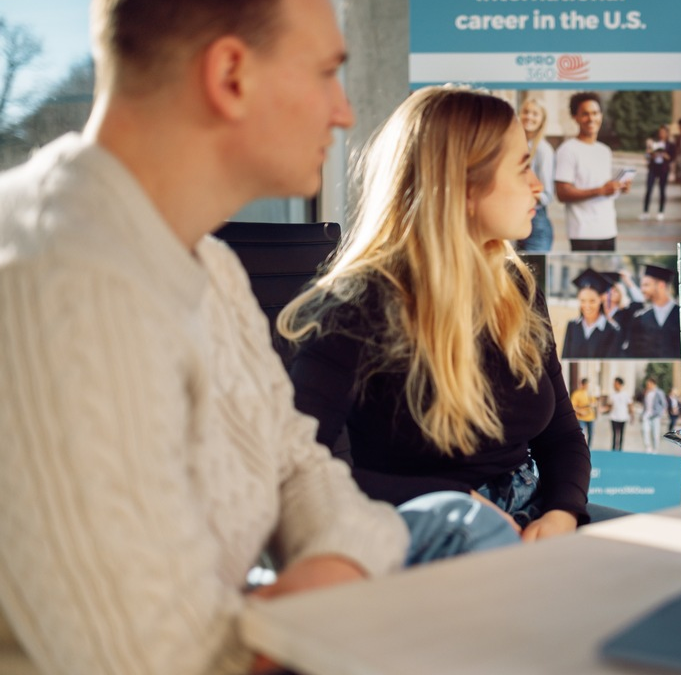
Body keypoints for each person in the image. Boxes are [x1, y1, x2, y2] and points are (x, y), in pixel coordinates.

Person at [0, 2, 517, 674]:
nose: (345, 111)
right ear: (231, 75)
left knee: (465, 535)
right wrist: (297, 611)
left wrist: (333, 566)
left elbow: (299, 464)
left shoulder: (205, 263)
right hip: (206, 647)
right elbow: (157, 658)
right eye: (328, 72)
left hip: (251, 612)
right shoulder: (60, 285)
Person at [281, 86, 591, 541]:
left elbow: (562, 437)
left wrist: (562, 513)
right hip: (428, 536)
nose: (539, 186)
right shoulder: (355, 305)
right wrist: (450, 499)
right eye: (523, 167)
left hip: (534, 519)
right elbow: (296, 470)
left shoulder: (517, 288)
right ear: (465, 188)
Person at [555, 91, 631, 251]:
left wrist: (619, 188)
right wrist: (601, 190)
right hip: (583, 232)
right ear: (575, 117)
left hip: (608, 230)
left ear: (601, 116)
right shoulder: (567, 150)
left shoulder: (604, 150)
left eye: (595, 113)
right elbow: (562, 193)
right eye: (585, 114)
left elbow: (603, 189)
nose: (591, 118)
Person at [515, 98, 555, 253]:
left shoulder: (543, 150)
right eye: (526, 112)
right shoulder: (517, 145)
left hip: (536, 223)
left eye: (535, 114)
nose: (529, 117)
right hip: (518, 220)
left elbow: (547, 195)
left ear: (542, 119)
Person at [623, 264, 681, 359]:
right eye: (642, 286)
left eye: (646, 285)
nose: (642, 290)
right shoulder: (640, 318)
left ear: (661, 285)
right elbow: (631, 352)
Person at [561, 269, 623, 359]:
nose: (587, 306)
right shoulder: (572, 326)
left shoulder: (612, 330)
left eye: (592, 301)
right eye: (583, 300)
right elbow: (565, 357)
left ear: (601, 299)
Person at [640, 124, 673, 221]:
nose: (661, 134)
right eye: (660, 132)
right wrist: (650, 152)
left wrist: (664, 154)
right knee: (649, 190)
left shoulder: (670, 145)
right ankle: (645, 212)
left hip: (663, 169)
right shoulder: (654, 143)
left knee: (662, 191)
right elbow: (647, 156)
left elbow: (672, 158)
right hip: (653, 169)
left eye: (663, 132)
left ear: (667, 133)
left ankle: (661, 212)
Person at [641, 378, 668, 453]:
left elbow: (664, 404)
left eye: (648, 384)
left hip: (655, 415)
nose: (647, 386)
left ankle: (655, 449)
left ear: (653, 384)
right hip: (646, 415)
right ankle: (648, 447)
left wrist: (660, 413)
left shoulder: (659, 392)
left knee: (655, 433)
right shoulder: (646, 392)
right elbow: (645, 404)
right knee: (645, 430)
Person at [607, 377, 633, 451]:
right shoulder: (612, 395)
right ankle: (613, 450)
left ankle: (620, 450)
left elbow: (630, 405)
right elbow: (609, 406)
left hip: (623, 417)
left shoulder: (626, 394)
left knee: (621, 435)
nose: (614, 385)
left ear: (620, 384)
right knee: (614, 435)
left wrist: (632, 416)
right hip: (613, 417)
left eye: (615, 383)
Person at [572, 378, 598, 448]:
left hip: (591, 417)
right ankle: (581, 447)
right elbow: (572, 406)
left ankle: (589, 448)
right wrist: (581, 411)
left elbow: (595, 403)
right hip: (581, 418)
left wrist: (593, 404)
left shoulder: (590, 394)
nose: (587, 387)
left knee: (591, 434)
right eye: (586, 385)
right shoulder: (576, 394)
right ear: (582, 385)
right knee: (581, 434)